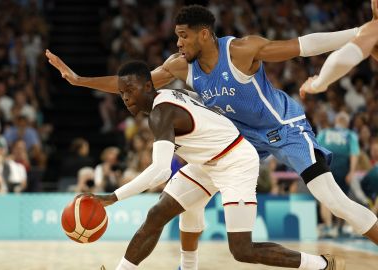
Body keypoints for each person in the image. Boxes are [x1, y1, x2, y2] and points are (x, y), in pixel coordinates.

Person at [46, 4, 378, 245]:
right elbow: (134, 82)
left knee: (334, 201)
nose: (177, 43)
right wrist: (79, 80)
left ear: (204, 35)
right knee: (190, 194)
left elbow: (304, 46)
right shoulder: (180, 66)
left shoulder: (241, 50)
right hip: (240, 141)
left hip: (285, 130)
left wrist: (359, 34)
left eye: (183, 37)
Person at [91, 61, 341, 270]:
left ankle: (319, 264)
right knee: (158, 214)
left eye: (130, 90)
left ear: (148, 86)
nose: (125, 98)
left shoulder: (160, 113)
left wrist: (114, 197)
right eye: (121, 93)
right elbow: (198, 102)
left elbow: (160, 171)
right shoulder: (168, 93)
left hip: (235, 162)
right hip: (206, 163)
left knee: (242, 250)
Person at [316, 112, 360, 238]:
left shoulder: (324, 132)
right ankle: (343, 227)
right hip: (343, 170)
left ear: (336, 121)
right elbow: (354, 153)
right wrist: (351, 172)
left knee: (325, 198)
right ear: (346, 123)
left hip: (325, 167)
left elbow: (315, 149)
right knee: (343, 198)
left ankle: (330, 227)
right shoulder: (350, 135)